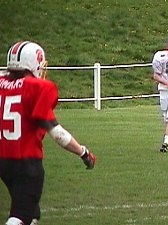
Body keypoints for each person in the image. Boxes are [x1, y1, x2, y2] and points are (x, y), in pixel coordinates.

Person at [0, 41, 96, 225]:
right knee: (22, 216)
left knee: (32, 212)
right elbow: (57, 133)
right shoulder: (37, 87)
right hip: (26, 162)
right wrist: (82, 152)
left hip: (3, 160)